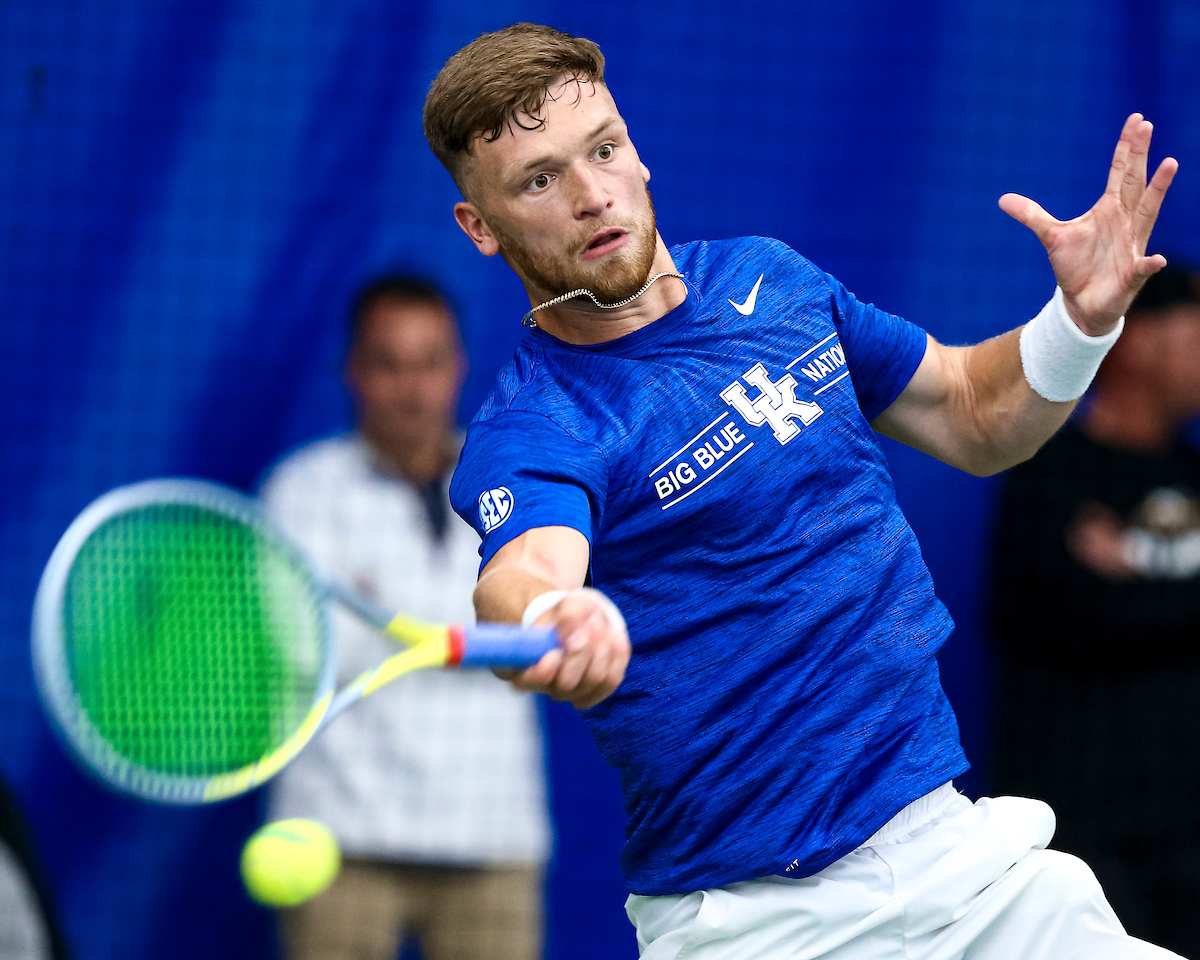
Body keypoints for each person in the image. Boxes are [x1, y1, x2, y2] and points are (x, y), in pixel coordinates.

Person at [423, 21, 1180, 959]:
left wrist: (1078, 320)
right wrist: (551, 615)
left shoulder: (770, 283)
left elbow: (979, 415)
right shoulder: (536, 426)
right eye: (539, 179)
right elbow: (527, 567)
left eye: (604, 150)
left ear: (636, 150)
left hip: (961, 863)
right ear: (480, 227)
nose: (590, 195)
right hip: (757, 924)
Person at [260, 277, 550, 960]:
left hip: (494, 837)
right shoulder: (298, 493)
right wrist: (480, 636)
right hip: (340, 841)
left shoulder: (518, 483)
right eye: (389, 365)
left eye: (430, 363)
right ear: (353, 373)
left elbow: (545, 632)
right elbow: (299, 654)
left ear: (458, 368)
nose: (412, 388)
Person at [987, 264, 1200, 957]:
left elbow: (1114, 614)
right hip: (1081, 830)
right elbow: (1050, 617)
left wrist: (1128, 574)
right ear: (1136, 342)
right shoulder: (1050, 470)